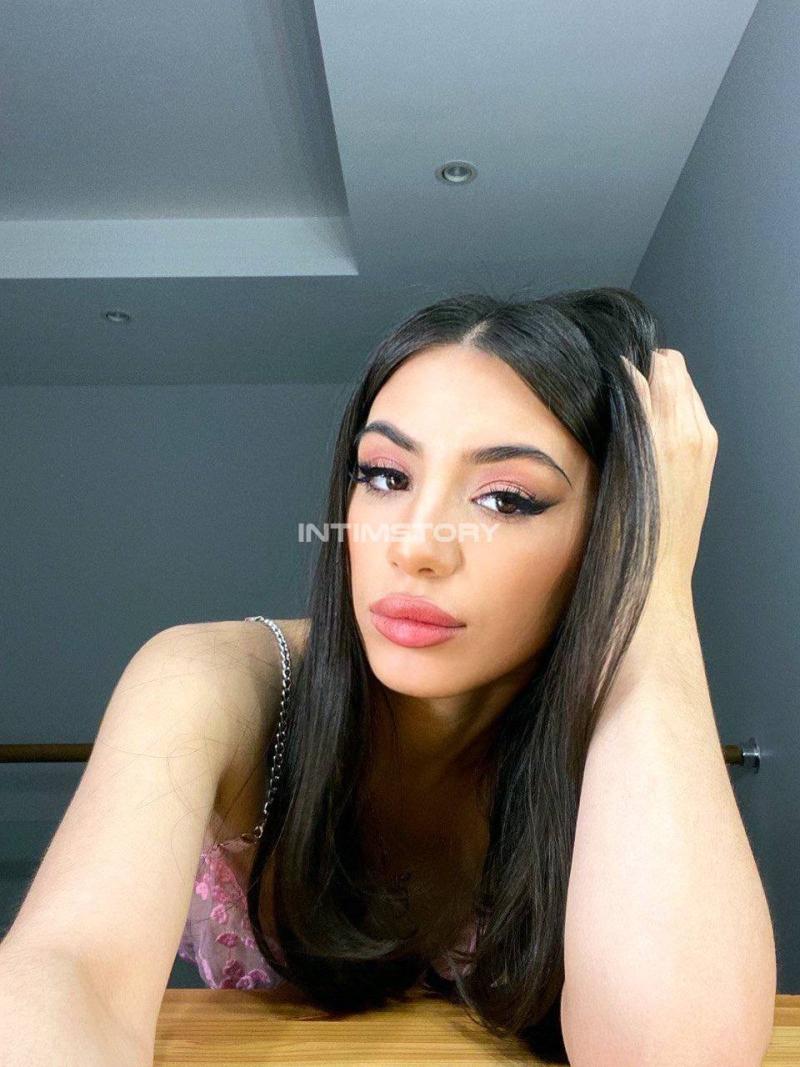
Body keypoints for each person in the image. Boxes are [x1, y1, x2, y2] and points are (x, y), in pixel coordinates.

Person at [0, 285, 693, 1065]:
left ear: (607, 531)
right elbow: (70, 968)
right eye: (387, 476)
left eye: (505, 498)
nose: (415, 546)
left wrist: (656, 575)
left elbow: (672, 1052)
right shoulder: (204, 682)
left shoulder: (624, 736)